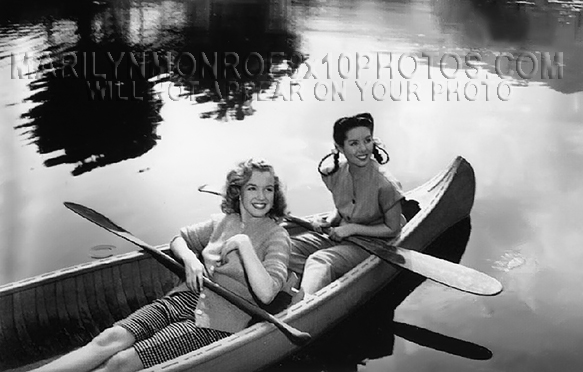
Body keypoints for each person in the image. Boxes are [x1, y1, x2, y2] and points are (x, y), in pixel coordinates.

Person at [34, 158, 291, 372]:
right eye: (252, 188)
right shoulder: (223, 220)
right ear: (238, 191)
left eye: (268, 189)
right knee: (109, 339)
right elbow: (178, 239)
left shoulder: (277, 236)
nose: (261, 196)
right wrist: (191, 260)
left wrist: (243, 244)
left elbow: (267, 293)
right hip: (185, 298)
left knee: (121, 363)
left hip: (221, 321)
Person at [289, 112, 405, 297]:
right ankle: (311, 281)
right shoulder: (331, 173)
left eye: (367, 140)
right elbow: (345, 204)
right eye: (354, 143)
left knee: (320, 260)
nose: (363, 149)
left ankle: (302, 305)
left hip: (375, 244)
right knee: (286, 248)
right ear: (339, 148)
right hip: (342, 234)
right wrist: (331, 220)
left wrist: (351, 229)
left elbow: (393, 229)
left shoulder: (386, 184)